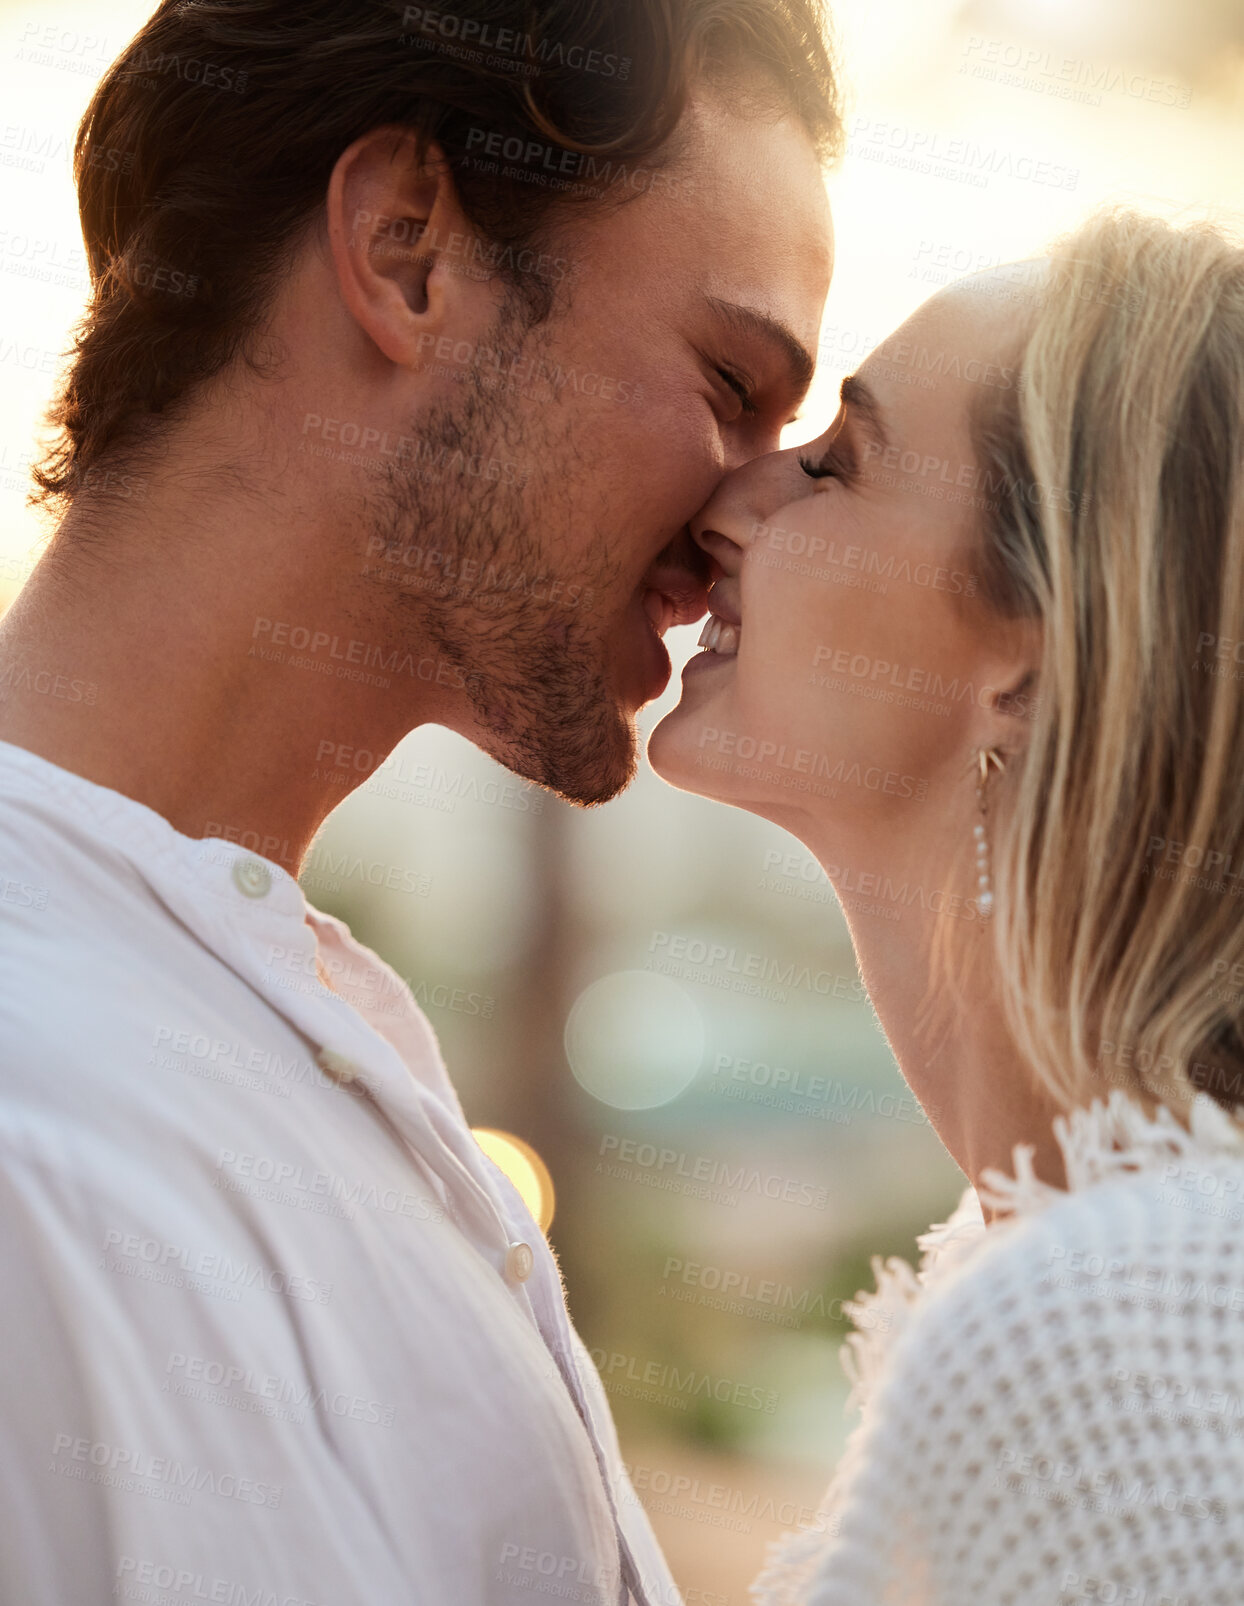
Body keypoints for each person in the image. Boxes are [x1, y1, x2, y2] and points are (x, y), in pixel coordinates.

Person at [0, 2, 839, 1601]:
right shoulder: (42, 1120)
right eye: (733, 379)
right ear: (406, 254)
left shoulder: (269, 1023)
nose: (747, 513)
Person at [649, 208, 1244, 1601]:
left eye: (836, 465)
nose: (730, 501)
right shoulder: (1073, 1277)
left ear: (1036, 666)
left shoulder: (1121, 1328)